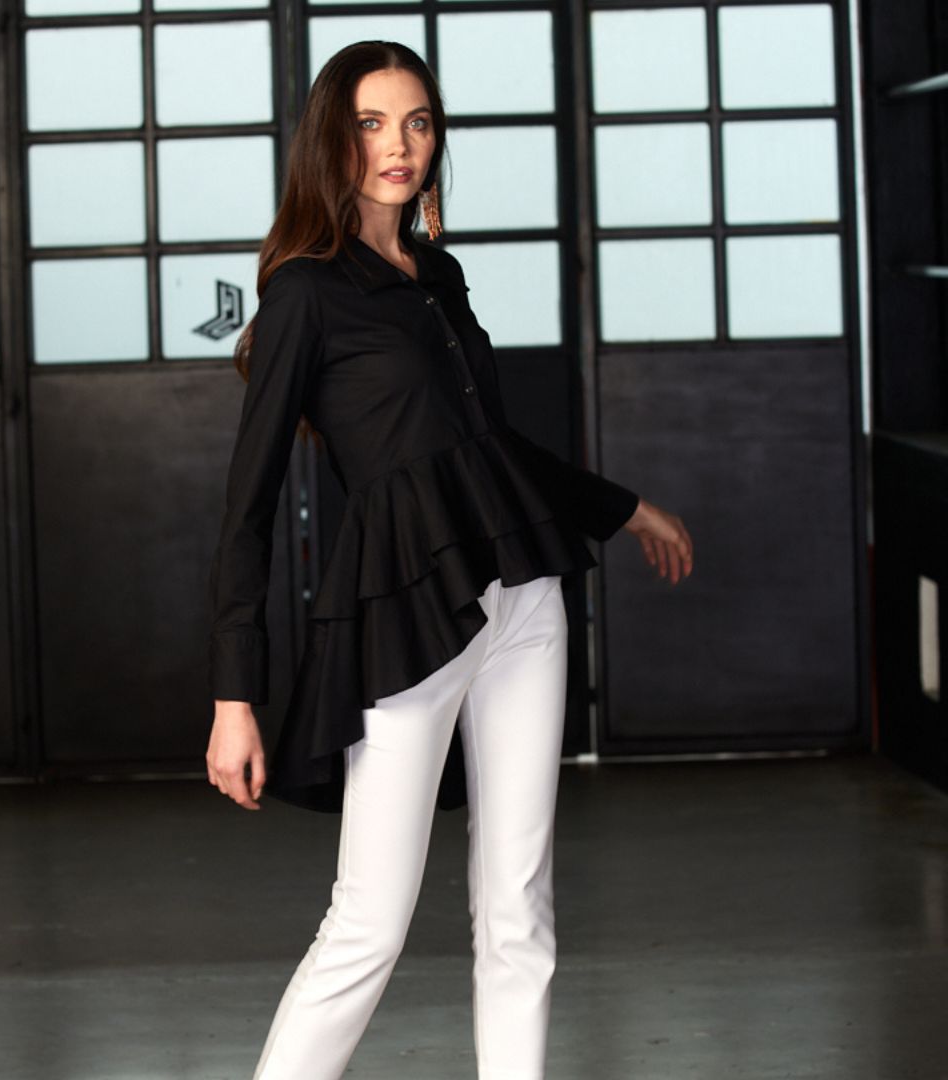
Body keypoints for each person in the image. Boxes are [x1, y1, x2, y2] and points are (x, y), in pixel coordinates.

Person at [204, 40, 693, 1080]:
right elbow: (247, 508)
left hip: (524, 605)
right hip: (405, 616)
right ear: (332, 140)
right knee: (368, 922)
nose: (400, 145)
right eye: (372, 123)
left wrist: (625, 508)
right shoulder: (304, 295)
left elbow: (490, 450)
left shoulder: (439, 274)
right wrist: (233, 694)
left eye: (418, 122)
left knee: (519, 906)